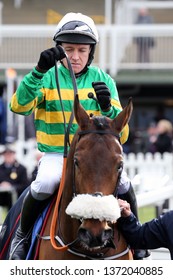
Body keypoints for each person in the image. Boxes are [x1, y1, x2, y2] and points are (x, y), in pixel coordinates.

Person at [9, 12, 147, 260]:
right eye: (68, 49)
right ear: (59, 49)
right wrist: (38, 71)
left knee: (125, 184)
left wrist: (107, 108)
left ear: (90, 52)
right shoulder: (47, 76)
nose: (75, 56)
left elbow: (122, 135)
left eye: (82, 50)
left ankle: (139, 242)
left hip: (96, 158)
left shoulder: (104, 79)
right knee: (45, 183)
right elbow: (18, 106)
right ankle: (22, 236)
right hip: (55, 154)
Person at [0, 145, 29, 210]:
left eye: (10, 154)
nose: (8, 156)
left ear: (14, 154)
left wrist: (11, 186)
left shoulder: (21, 168)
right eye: (6, 155)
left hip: (16, 197)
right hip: (2, 197)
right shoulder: (0, 168)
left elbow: (25, 185)